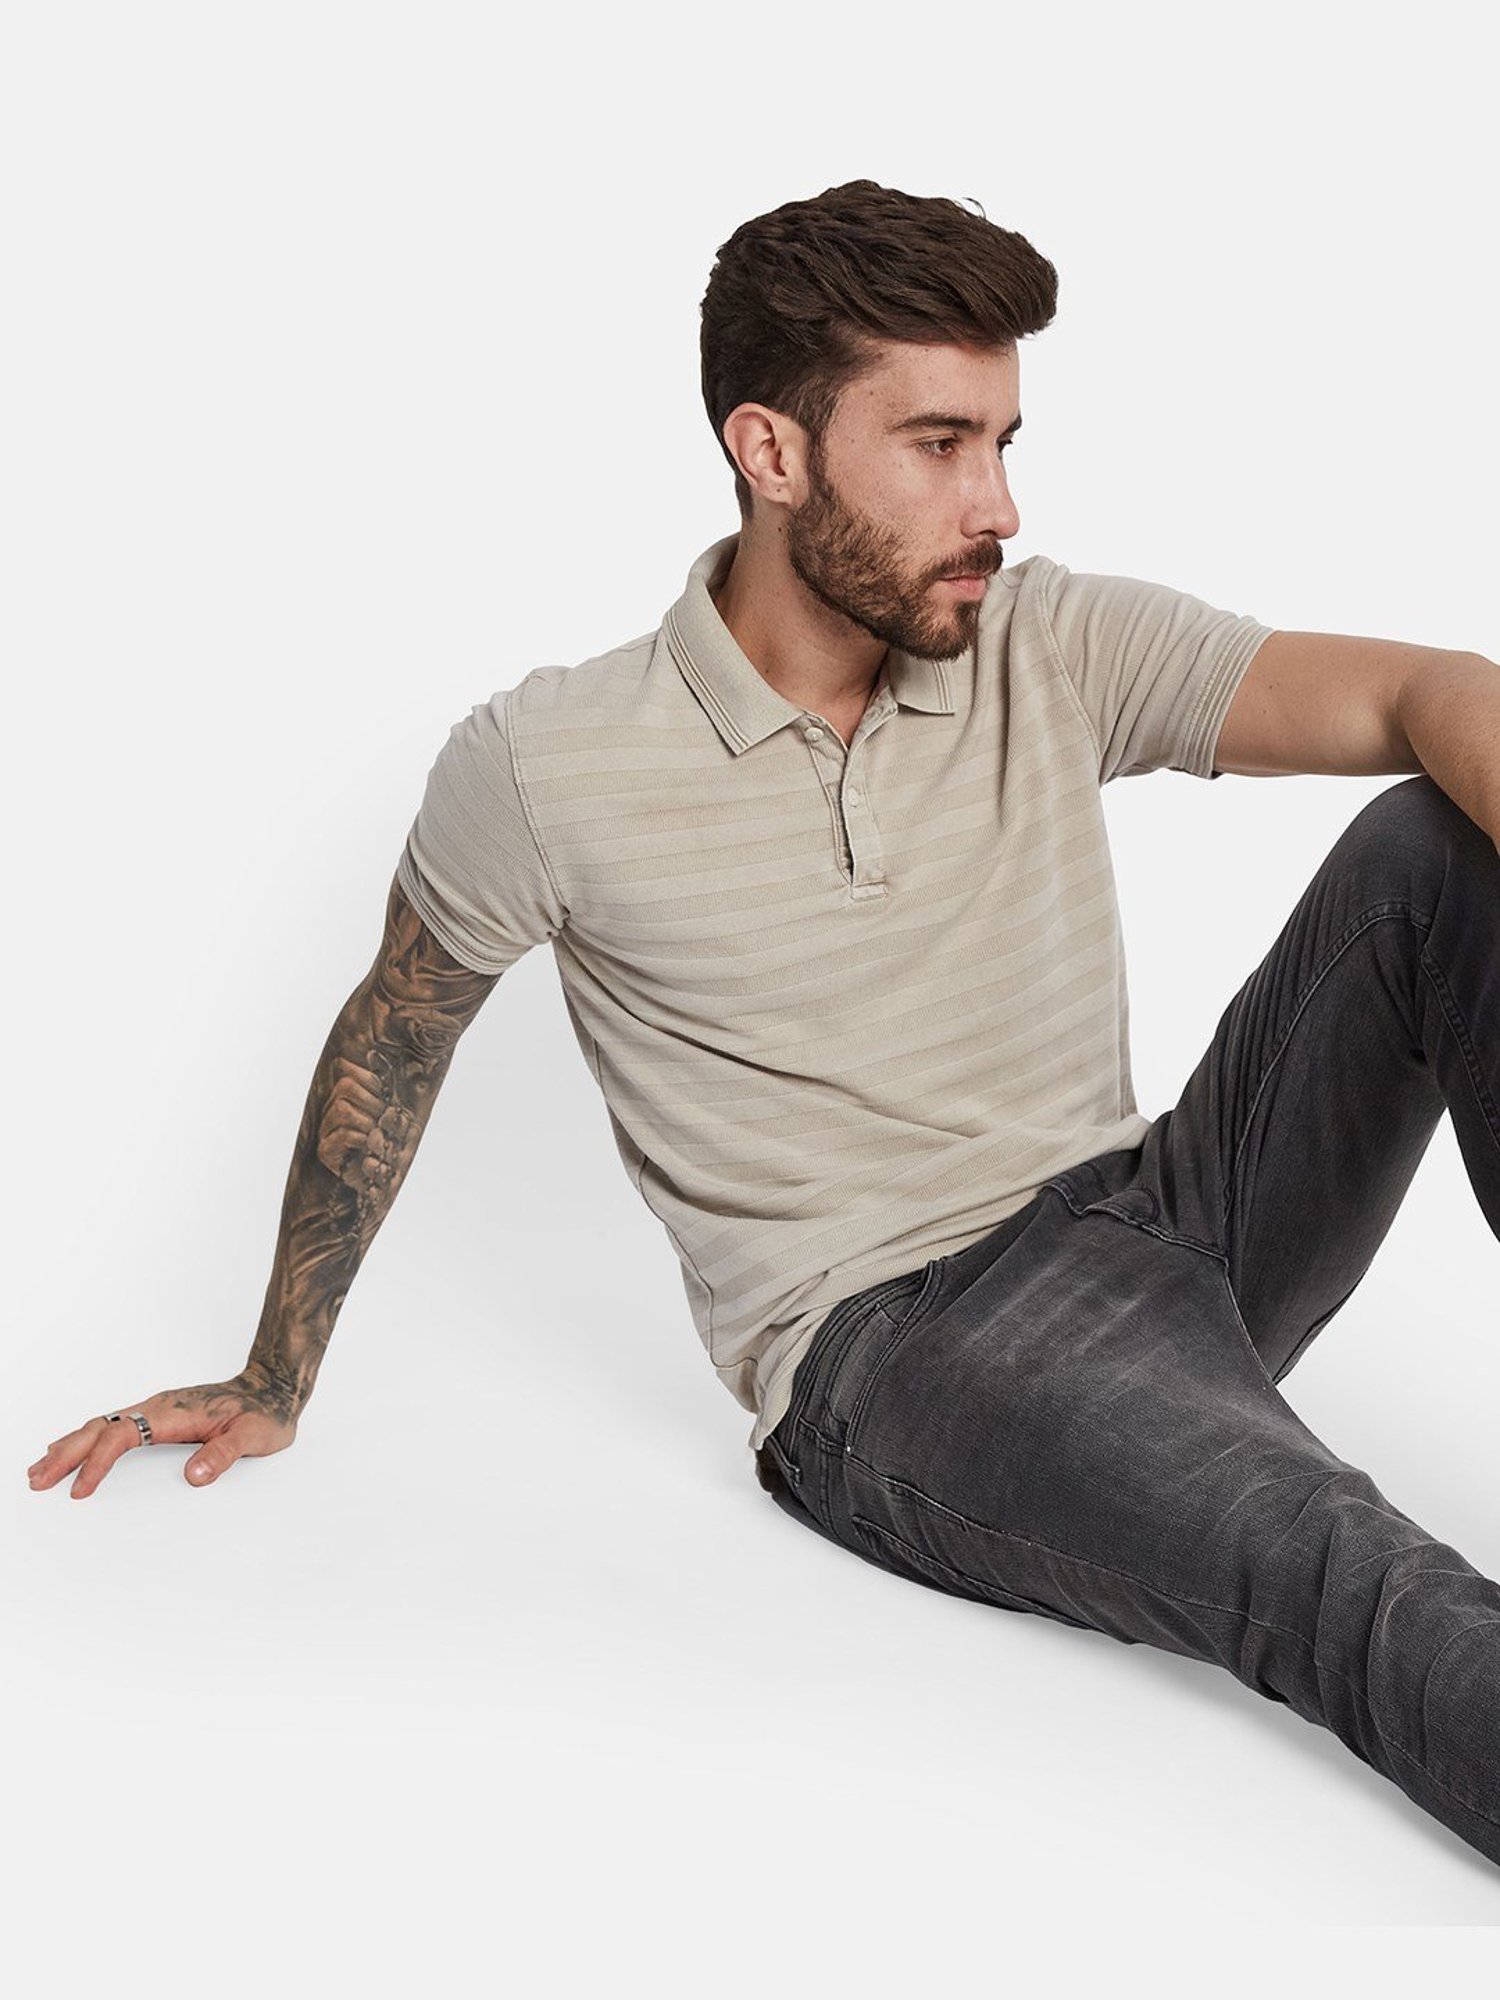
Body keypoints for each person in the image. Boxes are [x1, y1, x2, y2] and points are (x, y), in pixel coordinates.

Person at [27, 179, 1500, 1866]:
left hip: (1171, 1215)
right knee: (1342, 1564)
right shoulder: (547, 765)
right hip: (909, 1345)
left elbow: (1430, 692)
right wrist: (274, 1373)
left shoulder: (1043, 638)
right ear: (770, 450)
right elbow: (393, 1037)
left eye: (1004, 441)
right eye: (938, 444)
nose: (998, 504)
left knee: (1431, 848)